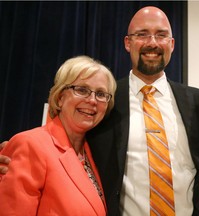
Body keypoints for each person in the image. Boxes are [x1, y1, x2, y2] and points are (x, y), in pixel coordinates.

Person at [0, 6, 199, 215]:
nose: (152, 43)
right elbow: (51, 146)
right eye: (142, 34)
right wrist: (14, 156)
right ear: (128, 43)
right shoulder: (105, 104)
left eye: (161, 35)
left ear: (172, 44)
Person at [0, 55, 117, 215]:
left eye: (101, 94)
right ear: (60, 97)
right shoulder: (30, 144)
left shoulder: (92, 153)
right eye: (82, 90)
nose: (92, 100)